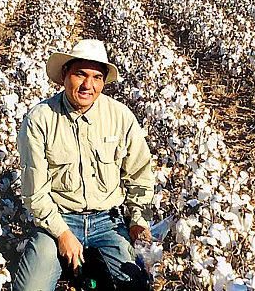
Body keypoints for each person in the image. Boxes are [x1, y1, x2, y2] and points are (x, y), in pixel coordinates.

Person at [13, 39, 154, 290]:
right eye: (81, 74)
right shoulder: (40, 119)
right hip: (58, 219)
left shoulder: (120, 117)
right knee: (30, 288)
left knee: (137, 283)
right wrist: (63, 235)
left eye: (97, 77)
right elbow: (35, 192)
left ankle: (91, 266)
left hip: (109, 221)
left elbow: (139, 173)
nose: (88, 85)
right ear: (65, 75)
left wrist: (137, 220)